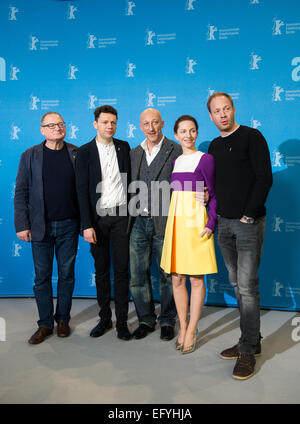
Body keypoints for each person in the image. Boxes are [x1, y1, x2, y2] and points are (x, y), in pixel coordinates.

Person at [207, 92, 273, 379]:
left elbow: (264, 177)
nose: (222, 114)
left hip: (248, 223)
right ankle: (252, 341)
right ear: (211, 116)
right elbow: (214, 184)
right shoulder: (213, 145)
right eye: (216, 111)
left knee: (247, 288)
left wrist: (248, 213)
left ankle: (247, 350)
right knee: (236, 283)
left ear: (233, 109)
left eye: (226, 109)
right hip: (224, 224)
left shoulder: (251, 136)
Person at [14, 112, 80, 344]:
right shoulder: (29, 156)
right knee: (42, 277)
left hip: (69, 225)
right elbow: (21, 191)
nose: (57, 128)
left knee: (67, 275)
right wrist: (22, 224)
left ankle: (63, 320)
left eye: (61, 124)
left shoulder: (76, 153)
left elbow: (84, 190)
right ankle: (44, 324)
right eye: (51, 125)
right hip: (40, 226)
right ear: (42, 130)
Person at [160, 115, 218, 354]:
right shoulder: (176, 162)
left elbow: (214, 194)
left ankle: (192, 329)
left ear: (197, 133)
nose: (188, 135)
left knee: (196, 279)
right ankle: (182, 326)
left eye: (192, 130)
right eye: (183, 131)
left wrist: (211, 222)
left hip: (196, 224)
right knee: (177, 278)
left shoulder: (206, 159)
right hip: (176, 224)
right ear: (176, 135)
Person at [75, 105, 131, 341]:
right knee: (101, 271)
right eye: (105, 122)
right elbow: (80, 191)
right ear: (95, 124)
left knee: (121, 271)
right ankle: (105, 319)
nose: (110, 126)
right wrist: (86, 225)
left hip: (121, 217)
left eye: (113, 123)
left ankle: (122, 324)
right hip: (96, 220)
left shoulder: (123, 147)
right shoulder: (84, 152)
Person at [128, 108, 182, 341]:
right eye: (146, 124)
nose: (151, 128)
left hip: (165, 222)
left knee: (168, 275)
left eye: (155, 123)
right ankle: (146, 320)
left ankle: (168, 319)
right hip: (137, 222)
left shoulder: (176, 150)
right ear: (141, 127)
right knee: (138, 275)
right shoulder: (133, 153)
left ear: (162, 124)